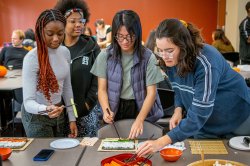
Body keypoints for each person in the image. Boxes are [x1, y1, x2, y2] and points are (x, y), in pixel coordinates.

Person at [137, 19, 250, 156]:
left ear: (184, 46)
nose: (164, 56)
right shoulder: (170, 60)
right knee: (202, 158)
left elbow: (199, 114)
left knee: (237, 159)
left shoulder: (206, 62)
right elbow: (178, 88)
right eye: (160, 50)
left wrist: (160, 142)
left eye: (169, 50)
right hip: (205, 124)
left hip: (237, 117)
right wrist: (178, 109)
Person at [91, 10, 164, 139]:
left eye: (130, 36)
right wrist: (106, 110)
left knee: (141, 145)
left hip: (141, 107)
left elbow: (151, 93)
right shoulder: (105, 55)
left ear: (137, 33)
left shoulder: (148, 57)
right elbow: (102, 89)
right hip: (116, 107)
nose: (125, 41)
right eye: (120, 36)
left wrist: (140, 119)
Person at [21, 9, 77, 138]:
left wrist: (72, 118)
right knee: (45, 156)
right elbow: (28, 102)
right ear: (41, 32)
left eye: (60, 33)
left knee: (61, 155)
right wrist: (46, 109)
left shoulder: (65, 52)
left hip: (59, 113)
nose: (56, 39)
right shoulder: (32, 58)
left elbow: (68, 89)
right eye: (50, 34)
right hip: (37, 117)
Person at [54, 0, 101, 137]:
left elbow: (98, 79)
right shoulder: (55, 48)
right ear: (62, 22)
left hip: (85, 114)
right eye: (73, 21)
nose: (79, 25)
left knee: (87, 153)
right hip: (59, 115)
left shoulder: (91, 47)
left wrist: (87, 104)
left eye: (81, 21)